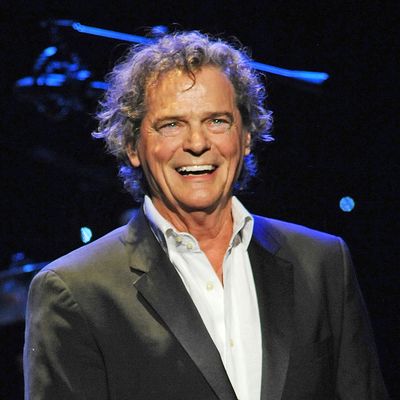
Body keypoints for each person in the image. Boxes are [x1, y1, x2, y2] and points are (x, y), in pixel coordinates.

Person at [24, 31, 388, 400]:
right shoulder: (75, 290)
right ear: (132, 146)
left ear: (246, 137)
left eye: (217, 121)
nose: (197, 143)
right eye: (171, 124)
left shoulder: (322, 262)